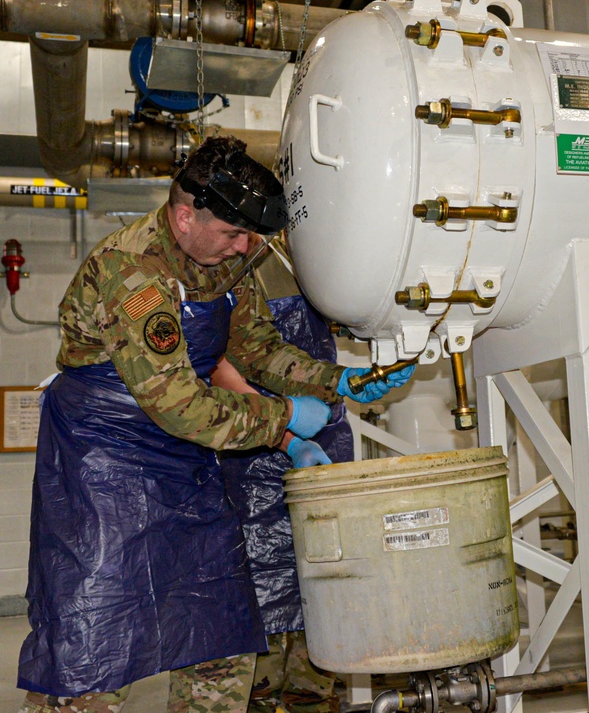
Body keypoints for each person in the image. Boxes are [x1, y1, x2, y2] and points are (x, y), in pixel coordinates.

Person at [16, 135, 413, 713]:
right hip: (106, 471)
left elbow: (256, 351)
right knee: (94, 645)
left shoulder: (228, 262)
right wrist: (282, 421)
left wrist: (337, 381)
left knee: (221, 632)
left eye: (248, 235)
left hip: (186, 464)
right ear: (183, 217)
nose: (243, 246)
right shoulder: (134, 275)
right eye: (232, 233)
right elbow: (178, 404)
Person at [214, 235, 354, 713]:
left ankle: (314, 689)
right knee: (259, 569)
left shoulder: (313, 256)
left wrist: (345, 384)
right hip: (252, 434)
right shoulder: (224, 263)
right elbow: (217, 363)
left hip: (320, 423)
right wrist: (284, 428)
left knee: (327, 565)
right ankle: (262, 685)